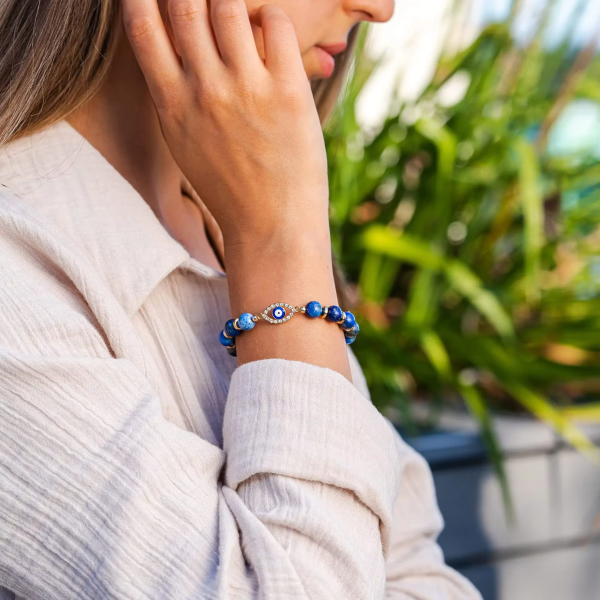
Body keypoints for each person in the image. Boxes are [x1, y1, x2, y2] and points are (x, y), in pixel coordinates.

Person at [0, 0, 481, 598]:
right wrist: (280, 240)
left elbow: (419, 573)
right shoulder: (16, 277)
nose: (378, 9)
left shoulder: (231, 224)